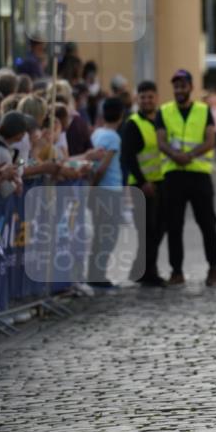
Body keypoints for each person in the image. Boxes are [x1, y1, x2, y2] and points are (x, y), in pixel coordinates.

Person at [156, 69, 216, 288]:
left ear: (191, 87)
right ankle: (176, 271)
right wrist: (176, 156)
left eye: (183, 86)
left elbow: (210, 140)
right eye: (176, 86)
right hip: (173, 175)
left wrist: (189, 155)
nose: (179, 90)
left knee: (207, 223)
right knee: (174, 224)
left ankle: (213, 267)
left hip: (199, 174)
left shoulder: (203, 110)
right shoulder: (164, 111)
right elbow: (161, 141)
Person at [121, 80, 166, 288]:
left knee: (159, 229)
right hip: (141, 185)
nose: (147, 101)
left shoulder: (161, 120)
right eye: (143, 97)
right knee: (147, 230)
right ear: (137, 99)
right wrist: (142, 181)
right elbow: (128, 157)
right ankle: (148, 272)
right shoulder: (132, 124)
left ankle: (142, 269)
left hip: (161, 182)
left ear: (156, 98)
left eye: (150, 97)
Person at [87, 96, 125, 290]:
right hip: (110, 190)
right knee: (108, 235)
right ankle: (97, 275)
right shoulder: (114, 138)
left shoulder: (97, 133)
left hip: (100, 190)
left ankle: (94, 273)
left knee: (99, 233)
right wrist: (93, 186)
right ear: (121, 115)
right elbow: (102, 167)